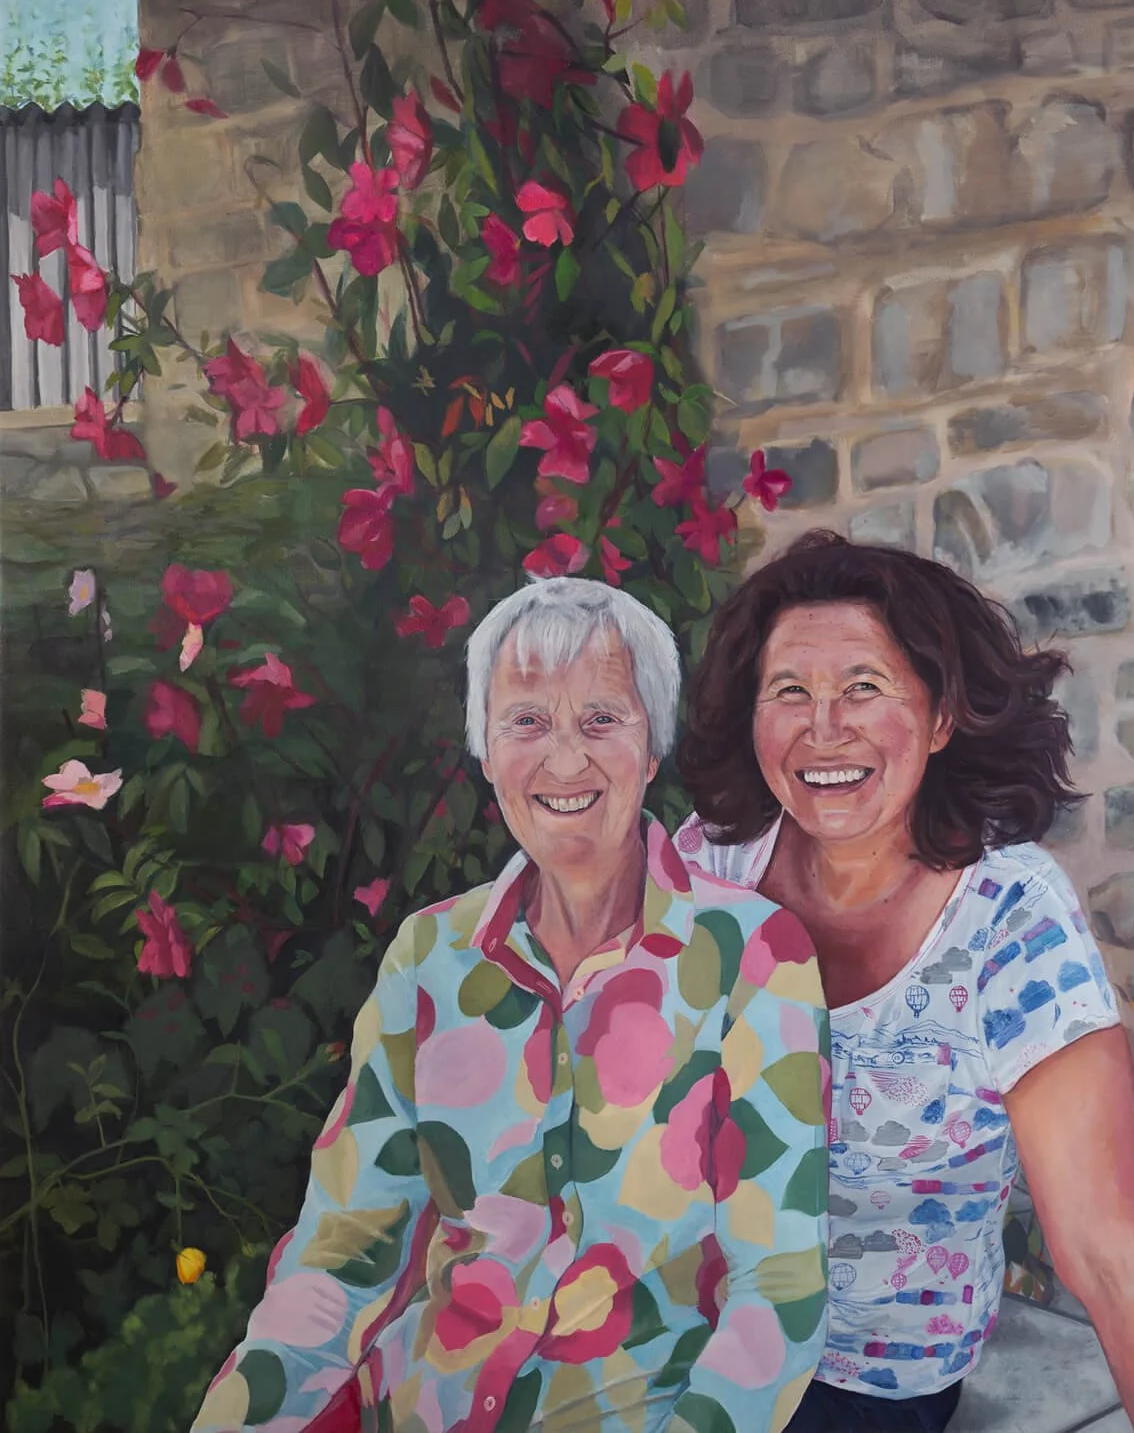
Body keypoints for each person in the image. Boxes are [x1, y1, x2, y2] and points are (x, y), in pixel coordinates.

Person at [192, 576, 830, 1433]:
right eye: (527, 721)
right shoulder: (430, 957)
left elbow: (777, 1294)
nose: (565, 759)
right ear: (487, 756)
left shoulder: (752, 957)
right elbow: (341, 1256)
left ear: (652, 749)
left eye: (602, 718)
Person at [674, 530, 1134, 1433]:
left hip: (859, 1377)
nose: (823, 727)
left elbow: (1109, 1258)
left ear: (942, 717)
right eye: (789, 690)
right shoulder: (708, 867)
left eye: (864, 689)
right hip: (680, 1330)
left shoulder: (1010, 918)